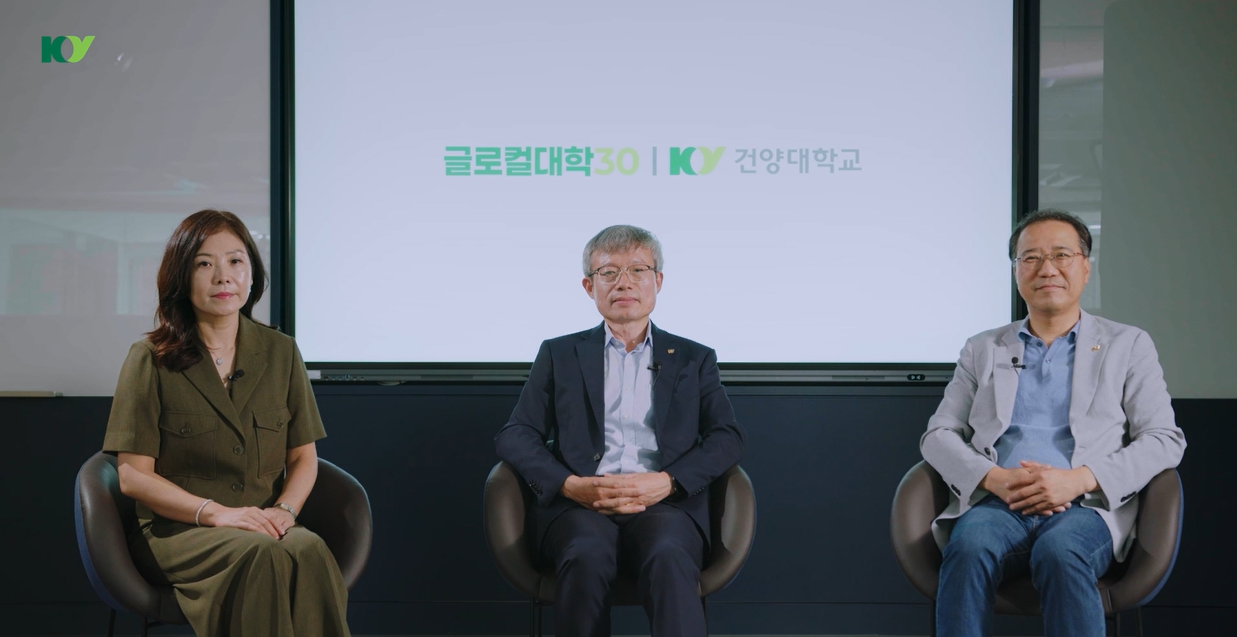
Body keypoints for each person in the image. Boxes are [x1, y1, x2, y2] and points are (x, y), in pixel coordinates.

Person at [921, 209, 1187, 637]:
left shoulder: (1128, 344)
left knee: (1061, 551)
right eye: (1031, 258)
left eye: (1061, 255)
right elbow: (938, 435)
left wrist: (1078, 480)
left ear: (1085, 267)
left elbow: (1163, 439)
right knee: (968, 547)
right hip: (998, 504)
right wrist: (994, 478)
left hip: (1086, 507)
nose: (1047, 269)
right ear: (1016, 271)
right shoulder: (982, 348)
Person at [103, 209, 350, 636]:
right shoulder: (149, 359)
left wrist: (285, 512)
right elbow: (132, 476)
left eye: (235, 261)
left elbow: (303, 457)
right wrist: (216, 514)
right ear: (181, 278)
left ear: (251, 275)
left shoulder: (281, 352)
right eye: (204, 264)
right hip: (178, 532)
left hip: (263, 522)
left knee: (307, 548)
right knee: (262, 555)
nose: (223, 276)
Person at [495, 225, 745, 637]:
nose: (623, 282)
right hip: (580, 508)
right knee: (585, 554)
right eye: (609, 272)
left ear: (657, 281)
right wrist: (570, 485)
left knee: (668, 553)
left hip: (666, 506)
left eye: (637, 270)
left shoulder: (693, 357)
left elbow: (727, 437)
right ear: (589, 286)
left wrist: (668, 482)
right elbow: (516, 433)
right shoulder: (559, 354)